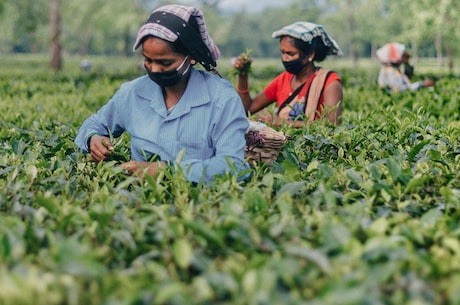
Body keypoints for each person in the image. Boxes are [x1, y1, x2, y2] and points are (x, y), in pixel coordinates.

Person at [74, 4, 249, 184]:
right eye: (148, 60)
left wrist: (167, 170)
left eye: (165, 62)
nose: (155, 69)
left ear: (192, 56)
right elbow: (94, 124)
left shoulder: (222, 99)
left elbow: (235, 166)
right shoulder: (132, 93)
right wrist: (92, 139)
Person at [232, 22, 343, 127]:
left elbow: (331, 125)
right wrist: (243, 75)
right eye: (282, 52)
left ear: (310, 54)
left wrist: (283, 122)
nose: (285, 58)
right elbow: (247, 109)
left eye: (290, 54)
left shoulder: (329, 82)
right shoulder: (283, 79)